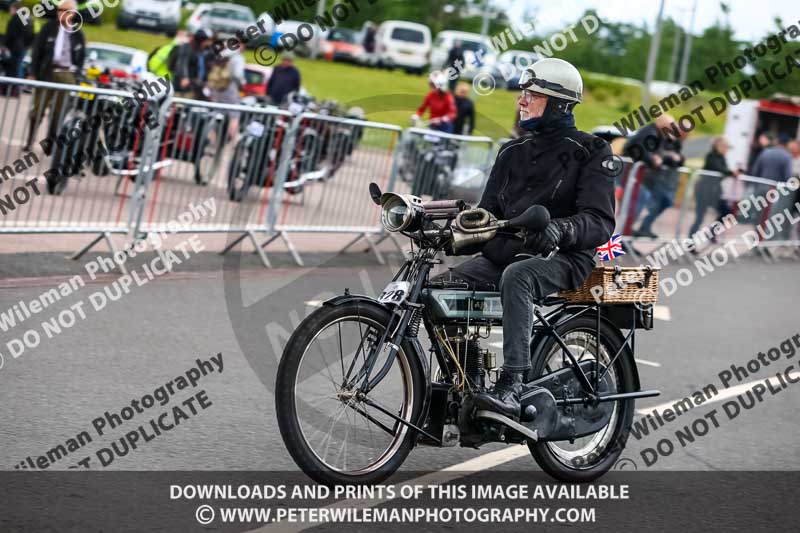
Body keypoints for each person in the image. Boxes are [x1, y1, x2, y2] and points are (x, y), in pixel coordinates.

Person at [434, 58, 617, 419]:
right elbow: (486, 216)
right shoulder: (511, 151)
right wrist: (449, 232)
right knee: (437, 291)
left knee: (518, 277)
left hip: (563, 257)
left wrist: (562, 229)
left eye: (531, 94)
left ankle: (512, 384)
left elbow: (600, 221)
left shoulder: (592, 150)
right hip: (504, 254)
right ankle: (467, 382)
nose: (521, 101)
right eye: (522, 93)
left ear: (559, 103)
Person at [25, 0, 86, 151]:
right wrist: (32, 72)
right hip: (47, 72)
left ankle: (50, 144)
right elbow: (37, 50)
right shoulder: (49, 27)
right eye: (59, 10)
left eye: (65, 10)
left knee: (59, 112)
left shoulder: (78, 33)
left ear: (73, 13)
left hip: (67, 74)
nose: (60, 13)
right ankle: (29, 141)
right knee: (37, 109)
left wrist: (76, 76)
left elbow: (81, 57)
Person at [623, 114, 687, 239]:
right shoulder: (649, 132)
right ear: (660, 123)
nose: (672, 128)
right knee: (638, 201)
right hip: (632, 174)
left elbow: (665, 156)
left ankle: (633, 233)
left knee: (662, 200)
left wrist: (671, 158)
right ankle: (624, 236)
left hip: (647, 177)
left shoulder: (664, 136)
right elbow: (634, 149)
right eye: (669, 125)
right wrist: (651, 158)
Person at [688, 137, 740, 243]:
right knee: (699, 218)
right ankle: (691, 242)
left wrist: (731, 173)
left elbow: (722, 172)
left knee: (727, 212)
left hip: (715, 192)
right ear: (719, 146)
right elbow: (718, 169)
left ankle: (712, 232)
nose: (727, 150)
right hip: (704, 191)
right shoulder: (711, 156)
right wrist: (731, 173)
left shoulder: (722, 158)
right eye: (726, 148)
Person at [206, 48, 245, 142]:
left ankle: (211, 141)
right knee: (234, 114)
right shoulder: (238, 57)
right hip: (229, 90)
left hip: (216, 89)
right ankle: (233, 141)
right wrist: (241, 84)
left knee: (216, 113)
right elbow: (237, 74)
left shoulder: (222, 53)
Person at [169, 28, 213, 99]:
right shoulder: (186, 48)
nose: (207, 43)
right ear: (200, 40)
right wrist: (184, 77)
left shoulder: (203, 51)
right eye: (206, 41)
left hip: (197, 84)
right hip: (184, 85)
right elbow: (182, 63)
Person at [3, 2, 34, 96]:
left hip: (15, 47)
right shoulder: (27, 18)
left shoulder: (16, 18)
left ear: (14, 9)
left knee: (14, 69)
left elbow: (11, 34)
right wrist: (26, 45)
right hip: (23, 47)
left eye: (11, 9)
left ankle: (13, 90)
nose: (10, 11)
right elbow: (30, 34)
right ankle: (17, 89)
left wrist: (5, 45)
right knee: (19, 67)